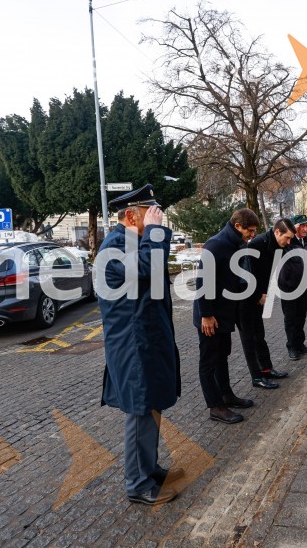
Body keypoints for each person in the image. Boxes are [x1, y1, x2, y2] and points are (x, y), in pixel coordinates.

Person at [97, 184, 181, 506]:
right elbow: (148, 268)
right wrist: (157, 234)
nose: (158, 218)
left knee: (152, 407)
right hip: (132, 346)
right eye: (152, 213)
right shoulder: (115, 247)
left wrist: (153, 234)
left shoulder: (133, 242)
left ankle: (149, 468)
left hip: (145, 341)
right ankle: (137, 484)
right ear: (131, 215)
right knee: (140, 411)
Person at [194, 208, 260, 425]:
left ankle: (226, 395)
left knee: (222, 356)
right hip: (210, 317)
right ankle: (215, 407)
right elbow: (203, 281)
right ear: (238, 225)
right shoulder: (216, 244)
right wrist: (206, 315)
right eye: (249, 230)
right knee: (209, 361)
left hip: (224, 314)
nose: (252, 234)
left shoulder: (235, 244)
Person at [237, 218, 295, 388]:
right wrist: (257, 296)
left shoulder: (279, 246)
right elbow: (246, 276)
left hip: (259, 296)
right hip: (244, 299)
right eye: (287, 238)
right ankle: (256, 377)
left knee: (259, 335)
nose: (289, 242)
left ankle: (266, 369)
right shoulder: (256, 245)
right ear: (277, 232)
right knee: (248, 338)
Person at [279, 215, 307, 361]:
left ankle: (300, 344)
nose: (306, 229)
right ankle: (292, 346)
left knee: (301, 316)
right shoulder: (287, 242)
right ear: (295, 228)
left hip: (303, 287)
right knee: (290, 318)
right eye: (302, 226)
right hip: (288, 287)